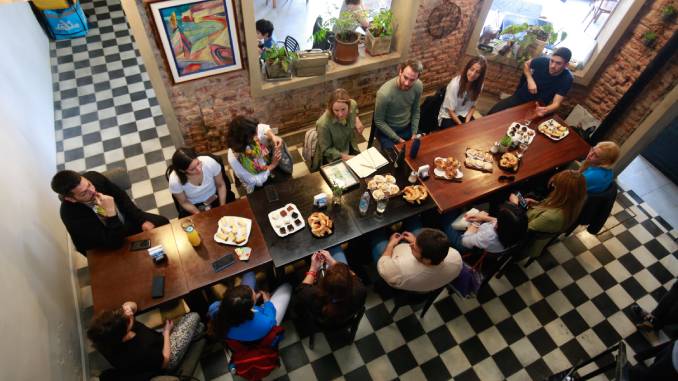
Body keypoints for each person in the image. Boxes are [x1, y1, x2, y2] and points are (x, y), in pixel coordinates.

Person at [50, 170, 169, 255]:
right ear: (70, 199)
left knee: (162, 222)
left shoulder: (94, 177)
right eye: (84, 193)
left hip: (125, 222)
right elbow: (114, 243)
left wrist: (141, 220)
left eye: (89, 185)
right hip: (105, 241)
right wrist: (111, 213)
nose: (92, 191)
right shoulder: (70, 215)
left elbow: (122, 197)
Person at [87, 301, 202, 376]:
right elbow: (165, 361)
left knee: (194, 329)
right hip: (165, 358)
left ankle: (196, 334)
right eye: (129, 320)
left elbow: (133, 305)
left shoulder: (103, 339)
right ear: (125, 334)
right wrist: (166, 333)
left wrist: (128, 307)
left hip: (152, 347)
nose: (130, 315)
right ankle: (199, 333)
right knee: (194, 317)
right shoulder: (141, 349)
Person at [371, 220, 463, 292]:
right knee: (414, 223)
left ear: (427, 260)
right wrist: (415, 240)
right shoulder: (456, 258)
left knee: (376, 235)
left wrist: (390, 245)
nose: (411, 245)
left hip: (396, 268)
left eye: (414, 248)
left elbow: (383, 262)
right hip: (431, 282)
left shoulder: (399, 270)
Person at [514, 169, 587, 259]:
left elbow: (522, 229)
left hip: (524, 240)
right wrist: (536, 204)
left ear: (564, 193)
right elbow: (547, 205)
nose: (553, 185)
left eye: (556, 186)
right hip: (532, 220)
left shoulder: (552, 217)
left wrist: (515, 205)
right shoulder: (572, 201)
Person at [488, 47, 573, 117]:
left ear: (566, 65)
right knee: (494, 112)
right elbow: (526, 64)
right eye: (552, 61)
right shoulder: (543, 61)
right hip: (520, 97)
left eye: (558, 63)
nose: (553, 66)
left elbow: (556, 103)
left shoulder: (567, 78)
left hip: (537, 105)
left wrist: (546, 110)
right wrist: (530, 79)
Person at [208, 272, 292, 342]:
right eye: (254, 295)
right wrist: (267, 302)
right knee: (287, 286)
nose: (255, 293)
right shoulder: (265, 323)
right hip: (258, 333)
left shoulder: (215, 310)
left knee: (249, 274)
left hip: (240, 329)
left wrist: (254, 299)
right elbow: (270, 318)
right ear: (251, 308)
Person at [294, 247, 367, 327]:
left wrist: (313, 268)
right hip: (346, 318)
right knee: (336, 248)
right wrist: (332, 261)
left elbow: (302, 289)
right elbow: (353, 275)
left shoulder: (314, 296)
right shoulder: (360, 289)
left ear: (323, 284)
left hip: (322, 323)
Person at [226, 116, 289, 194]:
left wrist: (273, 136)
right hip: (257, 184)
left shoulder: (249, 135)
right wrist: (273, 165)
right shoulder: (235, 158)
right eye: (254, 134)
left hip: (266, 168)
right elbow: (254, 181)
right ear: (245, 138)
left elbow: (263, 128)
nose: (257, 135)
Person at [373, 59, 424, 152]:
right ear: (400, 71)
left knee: (422, 150)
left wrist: (414, 133)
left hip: (407, 128)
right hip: (388, 132)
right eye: (405, 77)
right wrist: (398, 139)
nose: (407, 83)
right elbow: (379, 121)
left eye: (412, 80)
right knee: (396, 160)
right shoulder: (384, 93)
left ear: (417, 78)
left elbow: (416, 110)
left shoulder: (418, 86)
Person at [166, 148, 234, 217]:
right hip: (194, 206)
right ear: (183, 171)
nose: (199, 169)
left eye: (198, 163)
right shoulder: (175, 180)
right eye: (192, 169)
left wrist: (222, 206)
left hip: (216, 197)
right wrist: (199, 214)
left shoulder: (209, 162)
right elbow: (184, 202)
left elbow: (221, 185)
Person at [440, 202, 528, 254]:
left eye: (499, 220)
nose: (496, 220)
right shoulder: (516, 229)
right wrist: (483, 218)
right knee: (461, 210)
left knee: (447, 217)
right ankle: (458, 209)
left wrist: (476, 223)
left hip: (465, 243)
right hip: (481, 236)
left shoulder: (489, 237)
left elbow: (464, 241)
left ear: (501, 226)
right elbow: (496, 220)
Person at [312, 88, 365, 171]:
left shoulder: (353, 104)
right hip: (333, 155)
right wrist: (346, 157)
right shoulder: (323, 124)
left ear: (349, 106)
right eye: (336, 110)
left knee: (363, 170)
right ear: (330, 108)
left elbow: (355, 110)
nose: (340, 114)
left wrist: (357, 120)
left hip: (349, 145)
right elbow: (326, 150)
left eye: (343, 109)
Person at [438, 56, 487, 128]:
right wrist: (462, 126)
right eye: (472, 69)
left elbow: (473, 106)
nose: (473, 74)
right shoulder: (455, 84)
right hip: (449, 116)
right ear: (467, 68)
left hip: (465, 114)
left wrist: (467, 122)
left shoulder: (479, 86)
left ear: (481, 75)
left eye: (477, 72)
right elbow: (450, 110)